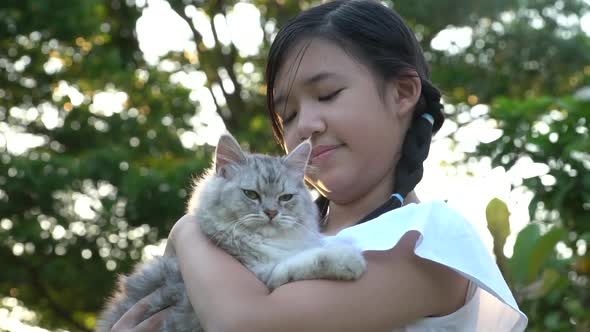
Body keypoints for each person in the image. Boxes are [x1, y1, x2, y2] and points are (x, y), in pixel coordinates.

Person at [111, 0, 528, 331]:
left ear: (402, 93)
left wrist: (187, 229)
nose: (306, 126)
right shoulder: (277, 237)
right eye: (287, 116)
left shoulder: (430, 239)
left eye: (326, 94)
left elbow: (246, 324)